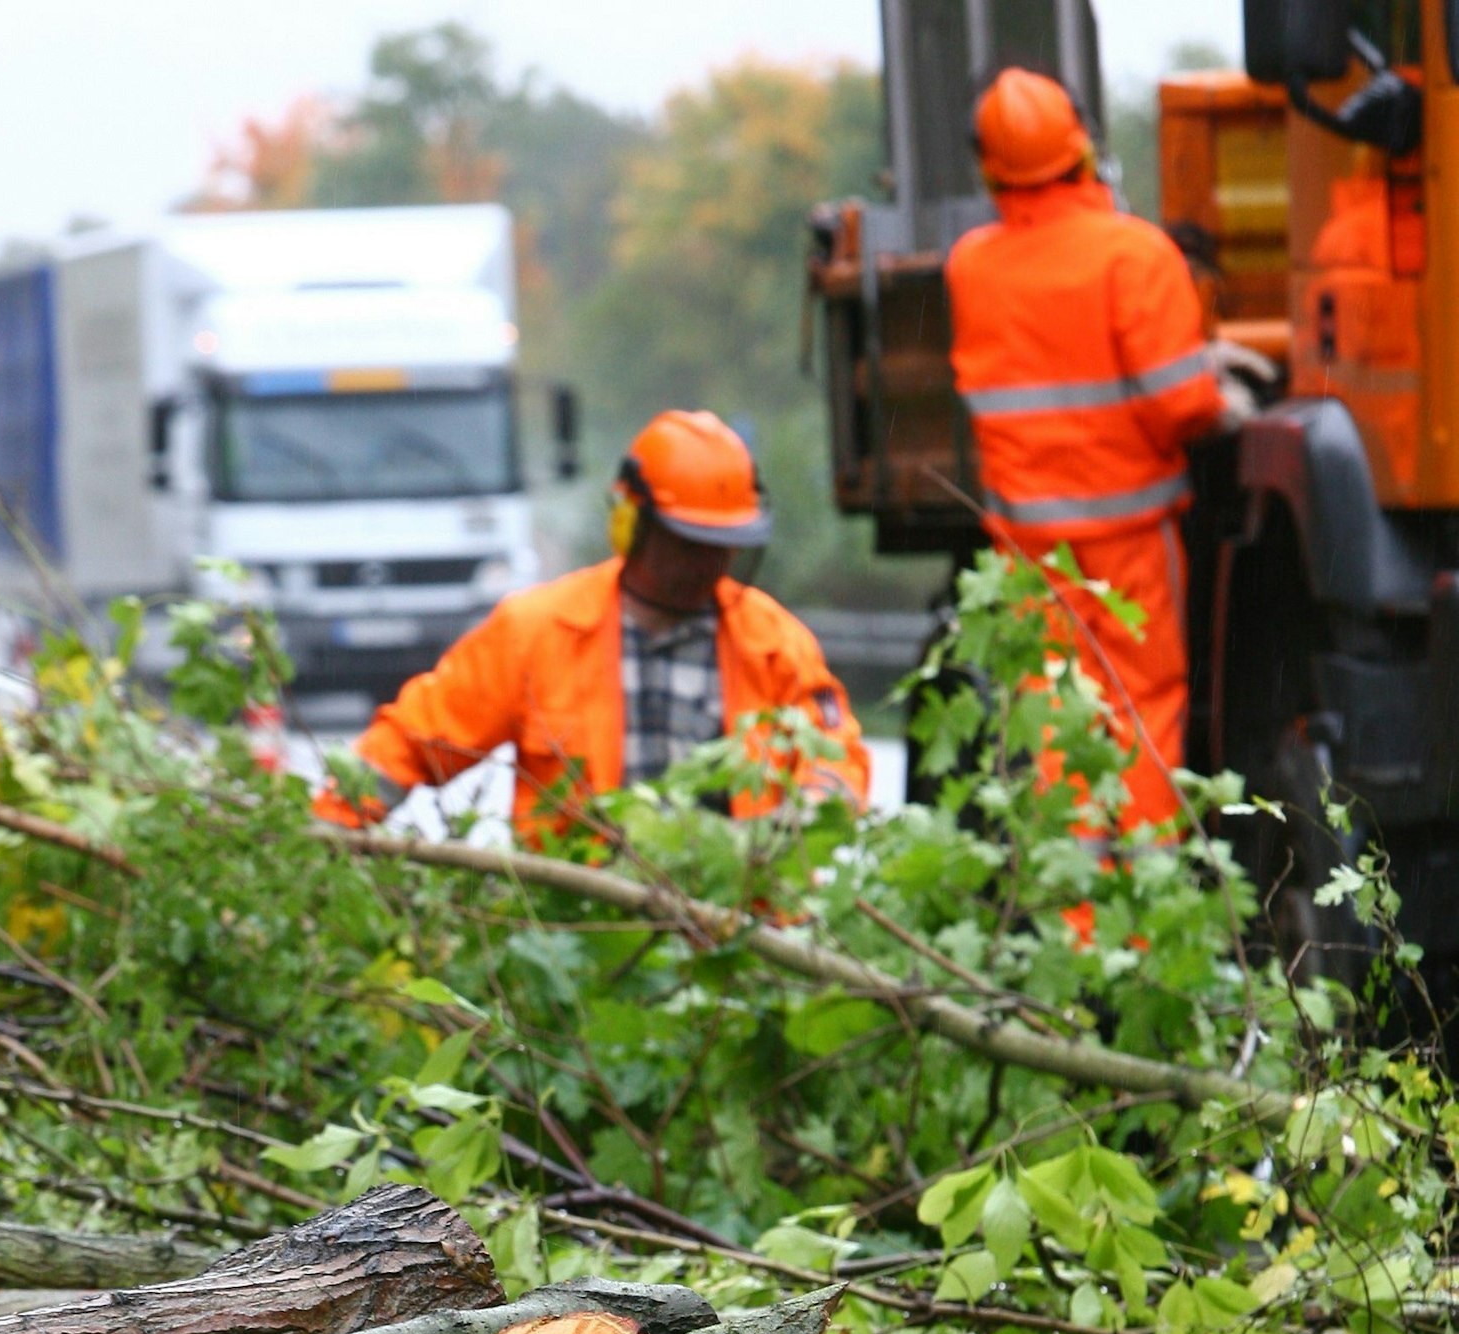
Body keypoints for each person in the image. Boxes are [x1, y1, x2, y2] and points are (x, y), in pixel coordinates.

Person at [315, 409, 869, 839]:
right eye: (689, 546)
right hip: (584, 933)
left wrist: (808, 818)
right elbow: (414, 740)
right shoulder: (537, 633)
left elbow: (835, 754)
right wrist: (322, 830)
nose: (707, 565)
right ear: (633, 525)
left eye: (722, 548)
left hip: (740, 935)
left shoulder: (773, 645)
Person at [945, 68, 1228, 833]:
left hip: (1031, 551)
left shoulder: (972, 265)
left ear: (989, 163)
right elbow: (1183, 407)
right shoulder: (1134, 255)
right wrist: (1227, 393)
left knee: (1050, 720)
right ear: (1082, 144)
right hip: (1131, 546)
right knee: (1142, 713)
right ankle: (1139, 918)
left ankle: (1068, 917)